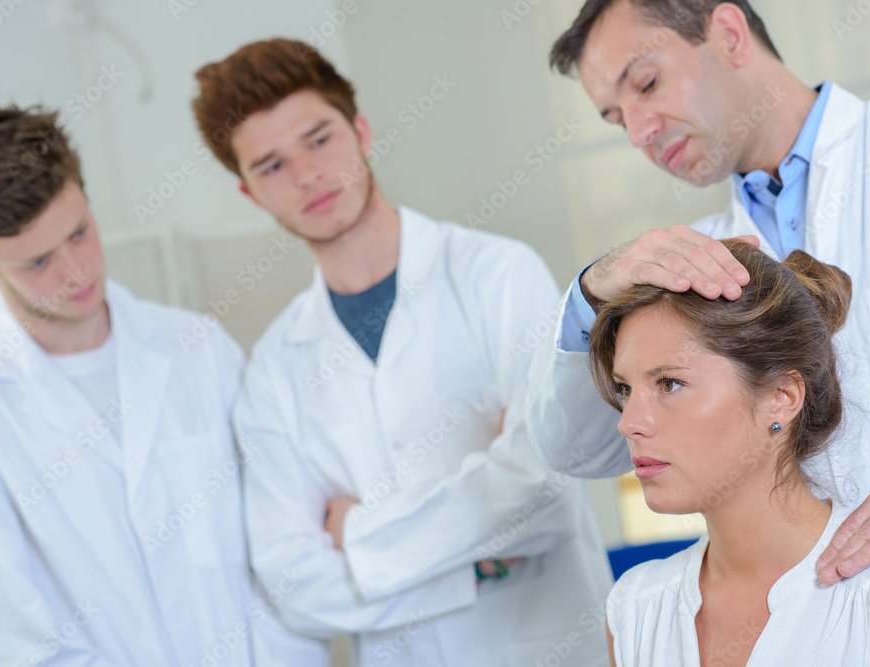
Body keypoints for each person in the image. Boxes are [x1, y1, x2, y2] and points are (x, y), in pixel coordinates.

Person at [191, 38, 614, 666]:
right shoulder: (275, 366)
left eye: (318, 138)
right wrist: (475, 565)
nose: (307, 175)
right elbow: (293, 584)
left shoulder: (496, 275)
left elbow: (543, 490)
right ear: (251, 194)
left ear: (360, 131)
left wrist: (353, 533)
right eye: (271, 166)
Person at [528, 0, 870, 581]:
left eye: (647, 84)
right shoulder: (698, 267)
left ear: (728, 34)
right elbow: (578, 448)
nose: (637, 132)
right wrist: (590, 292)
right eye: (615, 118)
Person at [0, 107, 327, 665]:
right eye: (37, 262)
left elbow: (278, 550)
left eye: (80, 233)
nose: (76, 272)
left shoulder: (198, 350)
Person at [589, 239, 870, 666]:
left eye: (669, 383)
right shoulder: (634, 608)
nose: (629, 422)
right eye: (625, 389)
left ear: (782, 397)